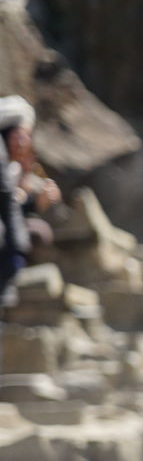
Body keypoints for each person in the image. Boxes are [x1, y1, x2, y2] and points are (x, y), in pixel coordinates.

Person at [1, 95, 61, 370]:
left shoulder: (15, 169)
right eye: (18, 135)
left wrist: (33, 200)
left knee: (39, 232)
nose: (22, 142)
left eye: (25, 136)